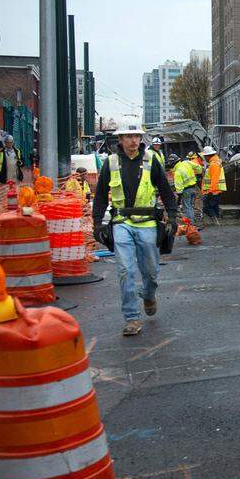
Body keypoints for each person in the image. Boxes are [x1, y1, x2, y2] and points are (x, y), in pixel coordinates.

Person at [91, 124, 178, 337]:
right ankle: (131, 317)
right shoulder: (111, 163)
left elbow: (166, 191)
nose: (133, 141)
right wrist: (97, 223)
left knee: (151, 271)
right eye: (129, 136)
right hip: (122, 222)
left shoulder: (151, 160)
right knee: (125, 271)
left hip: (147, 222)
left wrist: (173, 216)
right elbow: (101, 194)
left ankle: (148, 294)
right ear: (120, 139)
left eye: (137, 136)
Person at [173, 152, 203, 225]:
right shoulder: (186, 163)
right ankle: (194, 222)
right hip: (194, 188)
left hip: (186, 190)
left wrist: (179, 197)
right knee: (191, 206)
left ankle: (191, 224)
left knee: (188, 207)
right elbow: (199, 167)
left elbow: (179, 186)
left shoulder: (177, 172)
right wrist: (199, 173)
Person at [201, 146, 226, 225]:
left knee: (207, 207)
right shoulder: (215, 163)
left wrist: (211, 191)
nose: (204, 157)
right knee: (214, 207)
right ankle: (217, 222)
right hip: (215, 191)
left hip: (212, 191)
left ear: (208, 156)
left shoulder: (214, 164)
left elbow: (214, 179)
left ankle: (215, 221)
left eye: (204, 156)